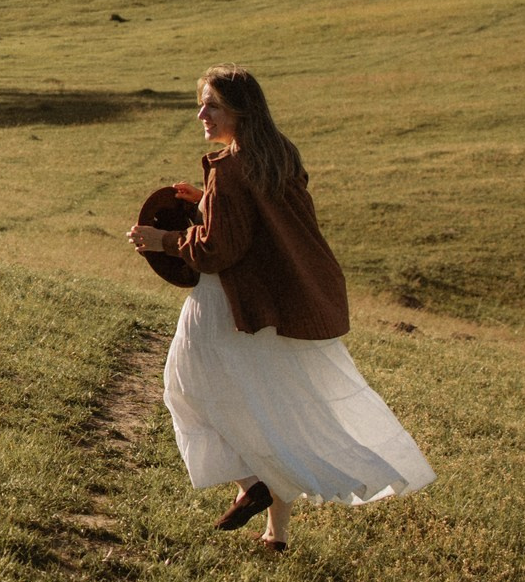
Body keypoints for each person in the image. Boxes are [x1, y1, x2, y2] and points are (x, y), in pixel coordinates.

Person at [125, 65, 433, 550]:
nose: (201, 114)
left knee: (184, 391)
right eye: (202, 104)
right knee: (263, 411)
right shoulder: (278, 156)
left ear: (242, 112)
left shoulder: (231, 169)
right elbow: (257, 222)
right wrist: (207, 200)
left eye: (213, 106)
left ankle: (255, 486)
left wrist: (161, 239)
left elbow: (217, 252)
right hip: (269, 307)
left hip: (226, 305)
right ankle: (276, 535)